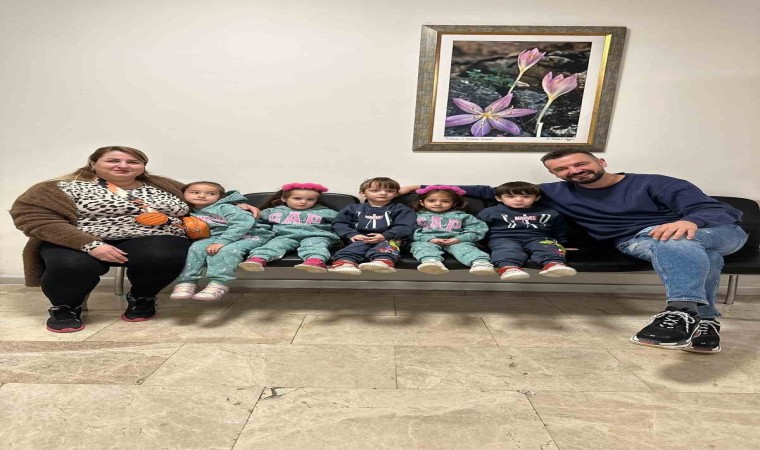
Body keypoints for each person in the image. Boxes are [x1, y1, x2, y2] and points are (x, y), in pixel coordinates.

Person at [405, 150, 747, 353]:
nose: (573, 171)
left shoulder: (656, 182)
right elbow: (486, 189)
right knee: (704, 258)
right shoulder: (558, 192)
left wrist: (689, 222)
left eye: (579, 164)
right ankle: (706, 322)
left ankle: (680, 312)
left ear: (600, 161)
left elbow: (717, 210)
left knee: (682, 242)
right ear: (554, 174)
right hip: (634, 240)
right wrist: (419, 187)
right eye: (561, 170)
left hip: (712, 232)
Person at [10, 146, 192, 332]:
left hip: (152, 237)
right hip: (79, 239)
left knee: (166, 255)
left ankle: (142, 297)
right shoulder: (57, 187)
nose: (123, 165)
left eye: (132, 162)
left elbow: (203, 205)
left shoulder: (166, 186)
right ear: (93, 163)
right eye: (113, 161)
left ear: (143, 166)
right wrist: (90, 245)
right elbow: (33, 217)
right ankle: (65, 307)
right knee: (71, 264)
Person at [169, 182, 275, 301]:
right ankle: (187, 282)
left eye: (211, 194)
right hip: (217, 236)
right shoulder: (185, 210)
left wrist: (222, 242)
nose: (202, 196)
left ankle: (219, 283)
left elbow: (243, 223)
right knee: (196, 248)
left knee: (226, 251)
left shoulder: (226, 208)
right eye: (195, 192)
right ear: (183, 194)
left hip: (251, 235)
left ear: (220, 197)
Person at [476, 181, 576, 281]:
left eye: (526, 196)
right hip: (503, 238)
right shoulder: (490, 212)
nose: (519, 200)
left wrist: (561, 242)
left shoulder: (549, 212)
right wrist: (480, 244)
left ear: (537, 198)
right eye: (511, 196)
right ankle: (509, 268)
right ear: (498, 198)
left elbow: (559, 229)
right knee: (507, 249)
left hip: (539, 238)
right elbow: (479, 229)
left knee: (548, 247)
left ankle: (554, 264)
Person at [238, 183, 339, 273]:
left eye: (310, 199)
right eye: (297, 198)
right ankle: (257, 259)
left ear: (316, 200)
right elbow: (254, 219)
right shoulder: (274, 211)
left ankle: (315, 261)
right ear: (284, 198)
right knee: (273, 245)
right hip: (284, 236)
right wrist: (241, 207)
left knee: (316, 246)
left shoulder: (326, 212)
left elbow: (342, 222)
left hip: (316, 236)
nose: (303, 202)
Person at [329, 177, 416, 275]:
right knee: (354, 247)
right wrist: (352, 234)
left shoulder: (402, 210)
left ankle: (382, 261)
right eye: (375, 190)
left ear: (396, 193)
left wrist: (385, 236)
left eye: (390, 191)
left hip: (390, 238)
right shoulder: (353, 209)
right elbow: (340, 223)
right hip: (361, 238)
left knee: (389, 246)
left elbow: (405, 226)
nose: (383, 193)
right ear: (363, 193)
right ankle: (344, 263)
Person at [410, 185, 494, 275]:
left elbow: (477, 229)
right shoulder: (416, 216)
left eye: (445, 201)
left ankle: (480, 263)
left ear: (454, 203)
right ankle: (431, 262)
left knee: (466, 248)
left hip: (456, 241)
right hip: (427, 241)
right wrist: (429, 239)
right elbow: (411, 231)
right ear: (422, 202)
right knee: (421, 247)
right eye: (431, 201)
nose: (438, 204)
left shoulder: (462, 216)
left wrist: (460, 239)